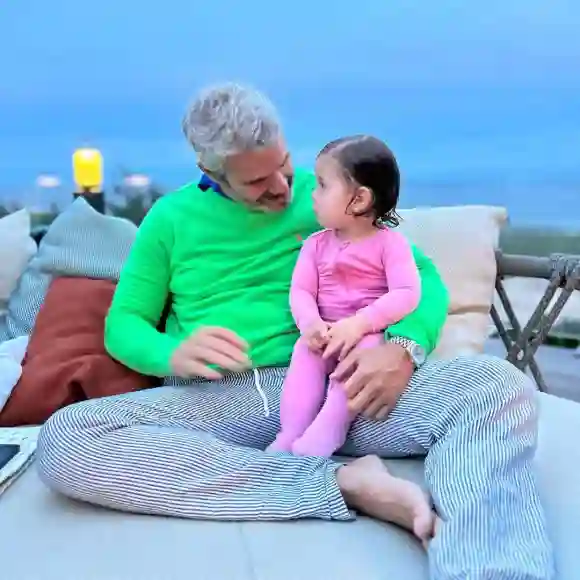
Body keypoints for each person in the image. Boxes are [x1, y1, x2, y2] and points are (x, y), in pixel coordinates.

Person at [36, 83, 554, 580]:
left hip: (344, 385)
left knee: (496, 384)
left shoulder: (330, 193)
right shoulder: (169, 219)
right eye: (258, 182)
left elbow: (422, 280)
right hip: (222, 399)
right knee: (66, 440)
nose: (283, 188)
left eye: (284, 166)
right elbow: (123, 326)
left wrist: (403, 347)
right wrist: (173, 353)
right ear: (210, 171)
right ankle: (339, 484)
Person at [267, 136, 422, 461]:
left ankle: (329, 428)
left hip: (368, 335)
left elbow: (407, 294)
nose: (313, 194)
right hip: (324, 332)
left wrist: (359, 324)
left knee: (358, 365)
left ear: (360, 199)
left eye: (323, 186)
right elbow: (301, 291)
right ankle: (292, 432)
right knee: (304, 357)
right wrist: (309, 324)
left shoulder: (390, 245)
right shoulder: (315, 245)